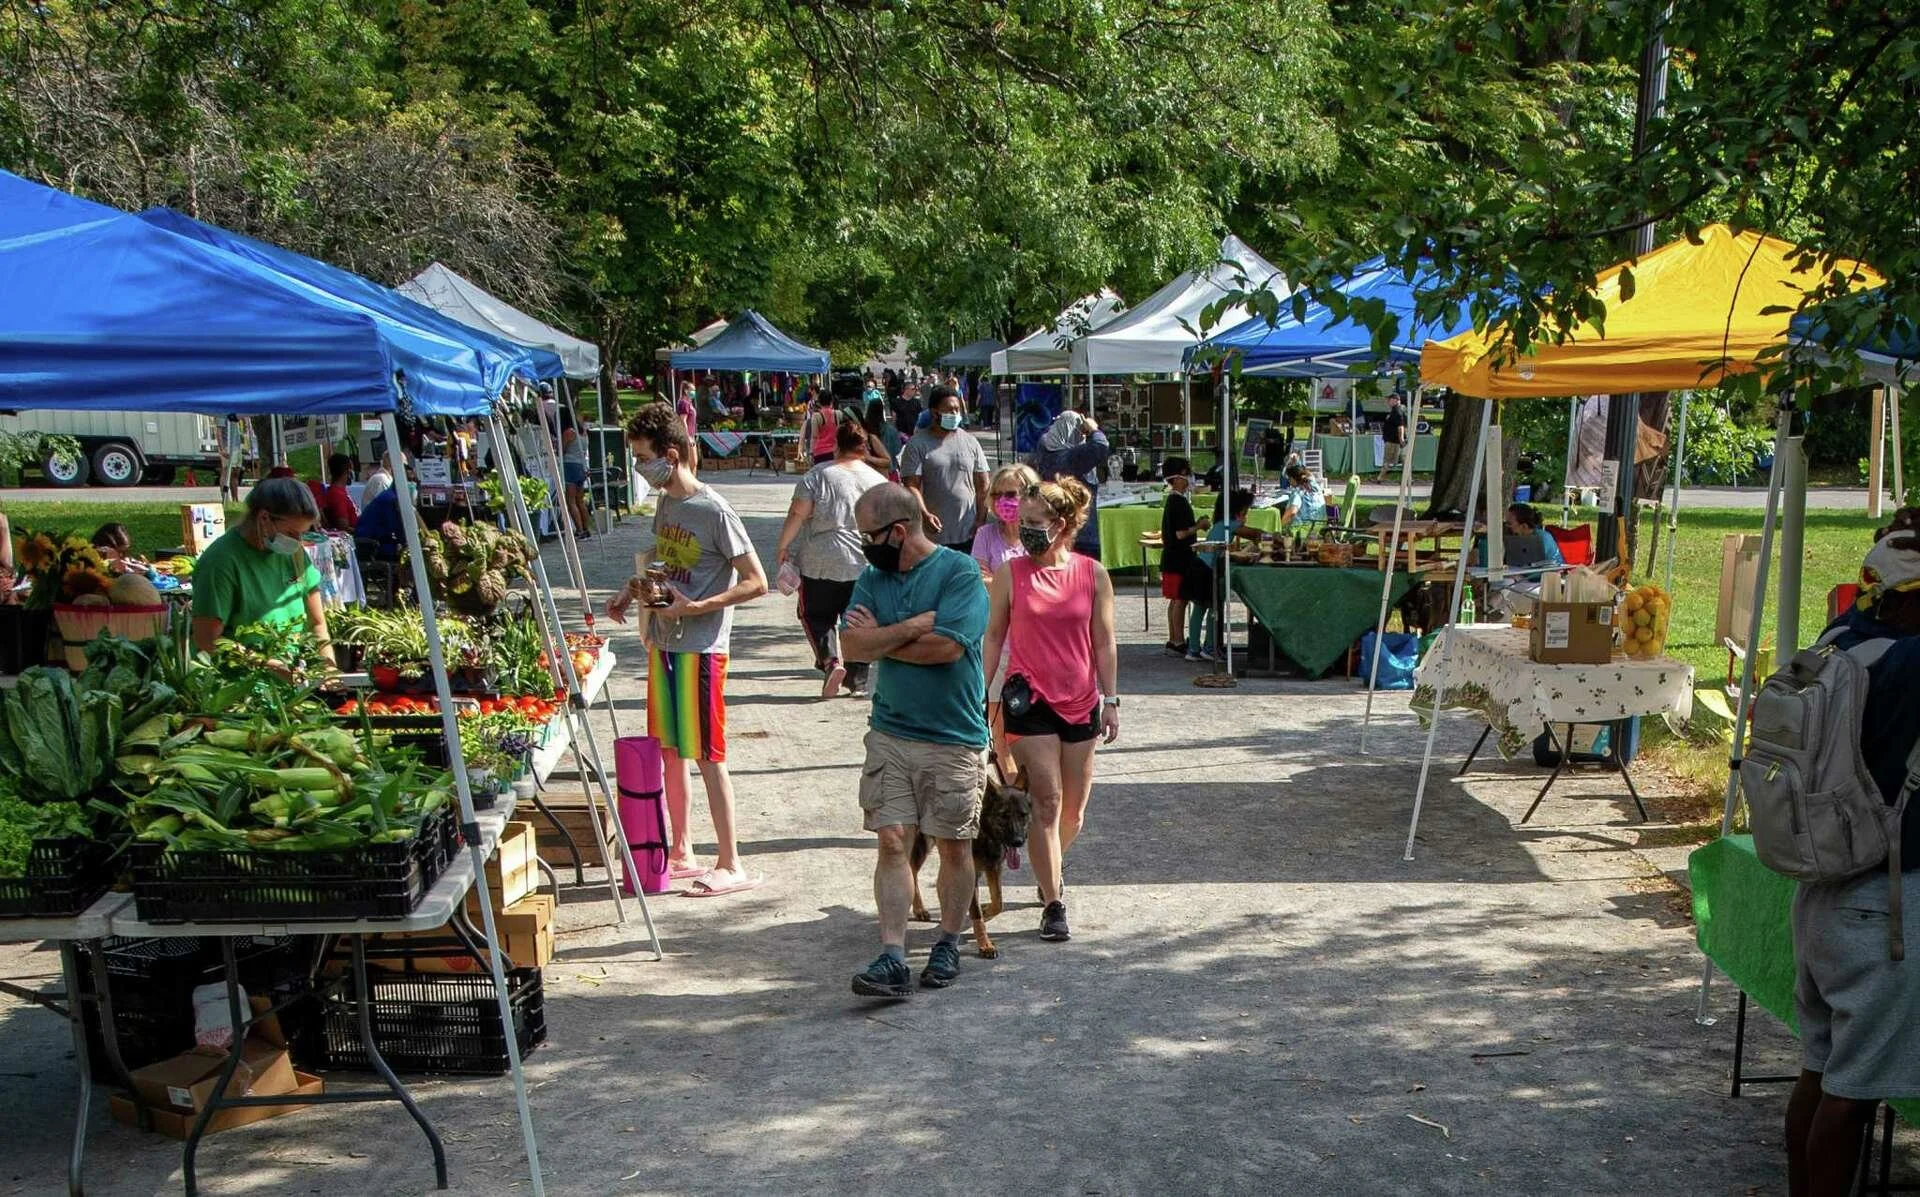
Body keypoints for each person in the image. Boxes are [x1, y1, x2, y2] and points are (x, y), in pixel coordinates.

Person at [1786, 522, 1920, 1197]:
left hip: (1826, 888)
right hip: (1883, 896)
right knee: (1852, 1092)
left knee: (1822, 1072)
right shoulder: (1911, 661)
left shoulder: (1842, 639)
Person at [608, 403, 767, 898]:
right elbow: (663, 564)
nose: (639, 467)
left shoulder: (714, 509)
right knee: (671, 752)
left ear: (670, 455)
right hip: (663, 641)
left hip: (701, 647)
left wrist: (699, 607)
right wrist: (629, 589)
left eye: (642, 457)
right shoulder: (665, 503)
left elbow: (756, 581)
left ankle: (731, 860)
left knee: (708, 755)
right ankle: (682, 848)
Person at [840, 483, 991, 997]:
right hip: (890, 731)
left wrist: (885, 636)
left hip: (954, 737)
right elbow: (851, 644)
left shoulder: (960, 573)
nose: (865, 544)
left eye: (869, 535)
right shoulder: (871, 576)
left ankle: (949, 941)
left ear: (898, 531)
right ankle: (891, 955)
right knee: (891, 841)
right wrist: (912, 626)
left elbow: (947, 649)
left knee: (953, 844)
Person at [981, 477, 1118, 944]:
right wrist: (984, 694)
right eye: (1022, 521)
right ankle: (1054, 899)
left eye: (1035, 523)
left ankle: (1049, 865)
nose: (1024, 530)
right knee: (1047, 800)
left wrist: (1111, 698)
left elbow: (1103, 640)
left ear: (1060, 526)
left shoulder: (1093, 573)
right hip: (1029, 699)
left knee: (1073, 813)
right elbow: (995, 635)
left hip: (1081, 700)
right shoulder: (1010, 574)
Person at [775, 410, 888, 699]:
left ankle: (830, 660)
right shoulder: (876, 480)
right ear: (864, 448)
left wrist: (784, 546)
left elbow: (797, 513)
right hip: (862, 561)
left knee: (816, 615)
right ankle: (858, 679)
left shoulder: (817, 476)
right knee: (858, 618)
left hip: (820, 560)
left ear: (836, 445)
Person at [190, 476, 334, 663]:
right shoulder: (220, 562)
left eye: (302, 533)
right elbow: (207, 642)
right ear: (264, 518)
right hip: (239, 685)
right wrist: (267, 664)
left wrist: (328, 667)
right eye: (292, 533)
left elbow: (317, 624)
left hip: (293, 680)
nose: (298, 542)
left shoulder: (295, 555)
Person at [972, 463, 1040, 775]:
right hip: (997, 640)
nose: (1003, 501)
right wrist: (1017, 584)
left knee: (1034, 726)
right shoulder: (985, 535)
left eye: (1010, 494)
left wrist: (1000, 582)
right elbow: (977, 578)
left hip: (1037, 644)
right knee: (998, 727)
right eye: (997, 494)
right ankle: (1012, 787)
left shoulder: (1040, 535)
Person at [898, 384, 990, 553]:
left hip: (968, 534)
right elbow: (911, 486)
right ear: (934, 413)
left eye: (957, 410)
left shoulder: (971, 442)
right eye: (950, 411)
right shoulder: (917, 444)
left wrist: (980, 520)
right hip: (933, 536)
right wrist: (925, 515)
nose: (955, 415)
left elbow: (983, 486)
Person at [1029, 411, 1111, 561]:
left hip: (1053, 531)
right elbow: (1101, 445)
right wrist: (1093, 429)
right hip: (1081, 534)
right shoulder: (1070, 457)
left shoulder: (1044, 450)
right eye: (1080, 432)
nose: (1082, 436)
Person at [1188, 488, 1257, 660]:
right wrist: (1273, 537)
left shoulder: (1221, 523)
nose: (1245, 516)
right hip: (1208, 570)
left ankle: (1193, 648)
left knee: (1199, 609)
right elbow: (1254, 533)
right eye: (1245, 512)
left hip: (1199, 566)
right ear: (1238, 512)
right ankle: (1210, 646)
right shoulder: (1230, 524)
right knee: (1214, 609)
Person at [1158, 457, 1206, 657]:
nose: (1189, 479)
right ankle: (1177, 639)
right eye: (1186, 474)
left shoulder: (1175, 500)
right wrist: (1199, 526)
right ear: (1176, 478)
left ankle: (1173, 637)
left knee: (1176, 599)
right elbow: (1180, 533)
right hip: (1178, 558)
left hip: (1173, 557)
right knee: (1180, 599)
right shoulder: (1177, 502)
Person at [557, 403, 592, 538]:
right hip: (581, 466)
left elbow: (562, 450)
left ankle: (579, 529)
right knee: (580, 500)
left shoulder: (569, 432)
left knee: (571, 500)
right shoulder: (583, 433)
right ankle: (586, 527)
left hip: (570, 465)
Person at [355, 478, 407, 561]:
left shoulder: (390, 495)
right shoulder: (390, 499)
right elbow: (396, 528)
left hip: (376, 538)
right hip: (370, 543)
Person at [312, 453, 359, 532]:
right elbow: (343, 528)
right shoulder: (337, 495)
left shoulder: (339, 492)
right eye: (352, 469)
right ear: (348, 471)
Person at [1276, 462, 1327, 529]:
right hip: (1320, 527)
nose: (1289, 482)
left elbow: (1292, 512)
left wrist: (1279, 528)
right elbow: (1309, 475)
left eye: (1289, 479)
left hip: (1303, 529)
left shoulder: (1298, 492)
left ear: (1292, 479)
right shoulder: (1316, 487)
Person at [863, 399, 903, 479]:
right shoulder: (891, 430)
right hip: (889, 472)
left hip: (870, 472)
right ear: (882, 410)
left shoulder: (864, 430)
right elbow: (898, 450)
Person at [1378, 392, 1409, 482]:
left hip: (1393, 440)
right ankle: (1407, 479)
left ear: (1395, 400)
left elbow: (1400, 426)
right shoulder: (1400, 409)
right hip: (1394, 440)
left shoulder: (1396, 411)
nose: (1388, 401)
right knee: (1400, 460)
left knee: (1387, 460)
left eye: (1389, 399)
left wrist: (1401, 439)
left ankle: (1381, 478)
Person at [218, 414, 246, 502]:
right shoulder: (222, 413)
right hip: (228, 446)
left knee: (236, 472)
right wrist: (222, 449)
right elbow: (218, 431)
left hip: (237, 446)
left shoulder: (235, 412)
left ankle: (235, 499)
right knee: (226, 472)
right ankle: (225, 498)